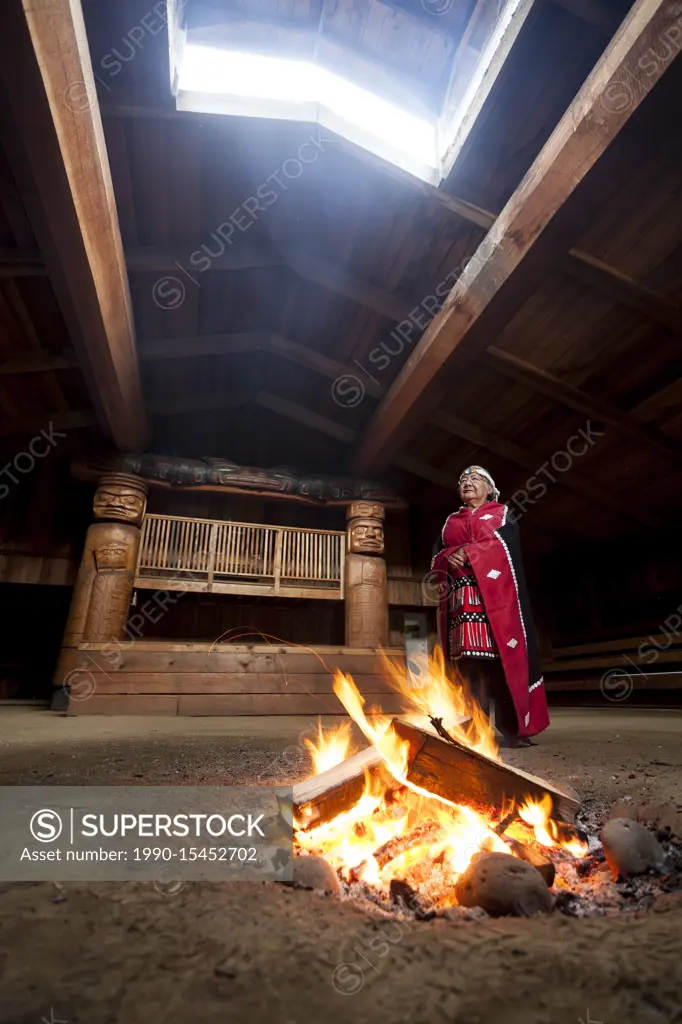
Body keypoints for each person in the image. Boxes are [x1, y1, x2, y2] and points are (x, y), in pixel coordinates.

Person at [430, 466, 549, 744]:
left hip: (498, 600)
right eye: (463, 480)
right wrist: (449, 556)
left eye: (474, 479)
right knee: (469, 667)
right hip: (462, 604)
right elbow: (436, 556)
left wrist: (468, 552)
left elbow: (505, 547)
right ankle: (475, 730)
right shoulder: (450, 521)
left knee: (502, 663)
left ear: (490, 489)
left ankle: (514, 729)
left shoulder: (502, 514)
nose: (467, 483)